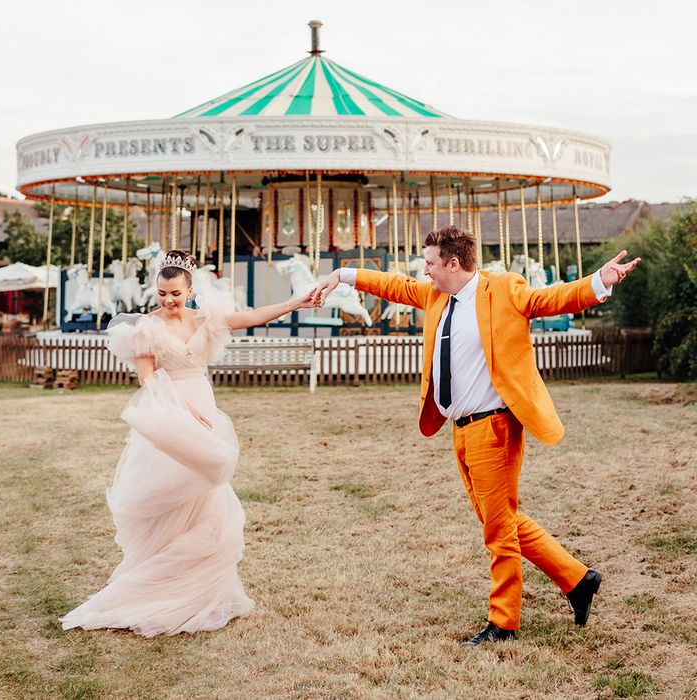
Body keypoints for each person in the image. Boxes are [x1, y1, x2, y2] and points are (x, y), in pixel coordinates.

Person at [312, 225, 640, 646]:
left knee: (497, 530)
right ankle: (578, 579)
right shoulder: (435, 295)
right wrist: (343, 275)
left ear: (452, 263)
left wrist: (599, 282)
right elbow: (393, 285)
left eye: (430, 263)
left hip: (495, 427)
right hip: (460, 430)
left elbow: (550, 299)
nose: (424, 270)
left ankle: (504, 623)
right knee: (499, 519)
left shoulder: (503, 289)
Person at [61, 250, 316, 636]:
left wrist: (294, 303)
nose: (168, 300)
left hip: (204, 410)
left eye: (175, 293)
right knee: (171, 500)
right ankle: (157, 586)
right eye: (162, 293)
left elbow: (250, 317)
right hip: (170, 419)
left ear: (190, 289)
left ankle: (204, 592)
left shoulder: (206, 319)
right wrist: (182, 412)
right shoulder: (146, 328)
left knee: (209, 502)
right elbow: (147, 379)